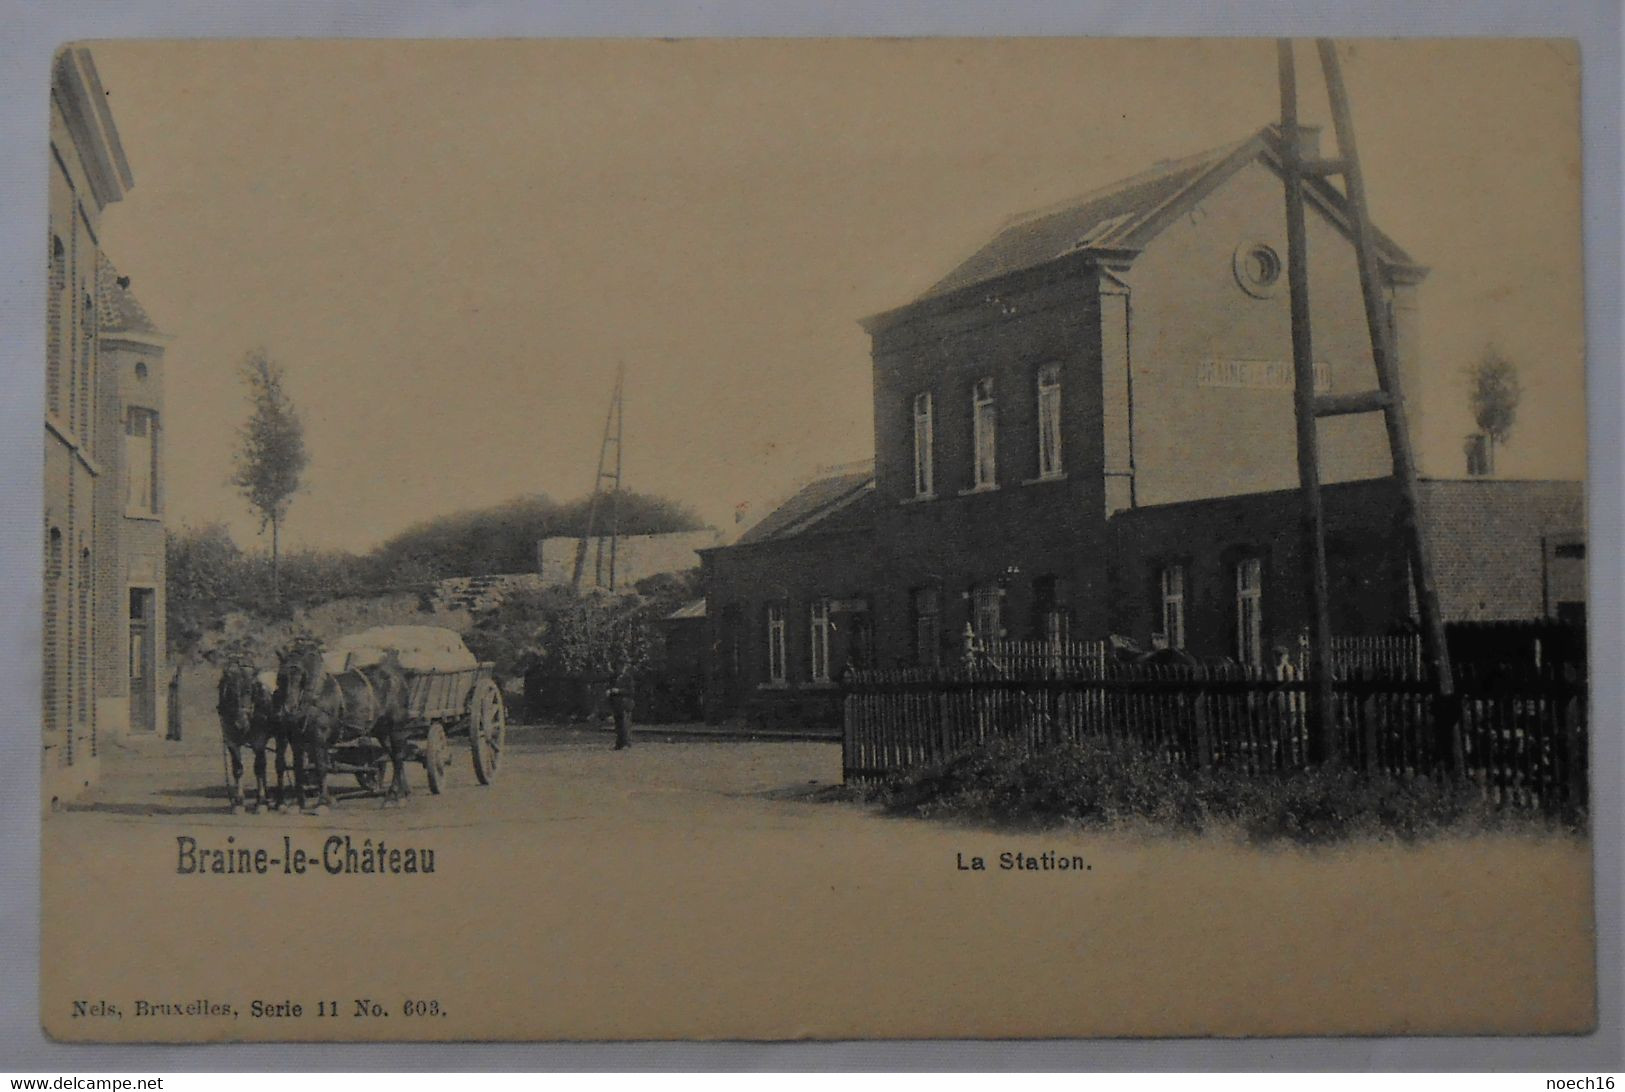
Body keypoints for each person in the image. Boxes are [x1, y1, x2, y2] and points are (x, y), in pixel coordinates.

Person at [607, 673, 635, 750]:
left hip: (625, 703)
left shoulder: (628, 677)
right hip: (617, 704)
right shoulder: (614, 677)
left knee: (625, 724)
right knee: (618, 725)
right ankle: (619, 743)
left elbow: (631, 691)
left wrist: (618, 691)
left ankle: (626, 743)